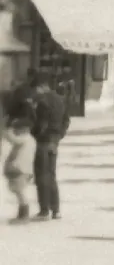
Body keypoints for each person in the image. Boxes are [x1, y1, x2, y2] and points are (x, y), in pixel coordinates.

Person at [25, 71, 67, 221]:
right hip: (54, 140)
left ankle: (44, 210)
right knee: (52, 175)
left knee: (42, 176)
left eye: (36, 88)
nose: (35, 91)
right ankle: (56, 210)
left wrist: (33, 133)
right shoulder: (60, 99)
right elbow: (66, 120)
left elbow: (41, 124)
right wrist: (59, 135)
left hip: (43, 140)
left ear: (41, 86)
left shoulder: (42, 101)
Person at [4, 112, 37, 222]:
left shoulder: (24, 139)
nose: (15, 131)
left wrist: (6, 131)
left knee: (19, 191)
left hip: (20, 168)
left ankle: (24, 213)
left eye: (16, 129)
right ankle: (22, 213)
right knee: (18, 190)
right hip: (23, 169)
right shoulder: (30, 139)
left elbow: (13, 139)